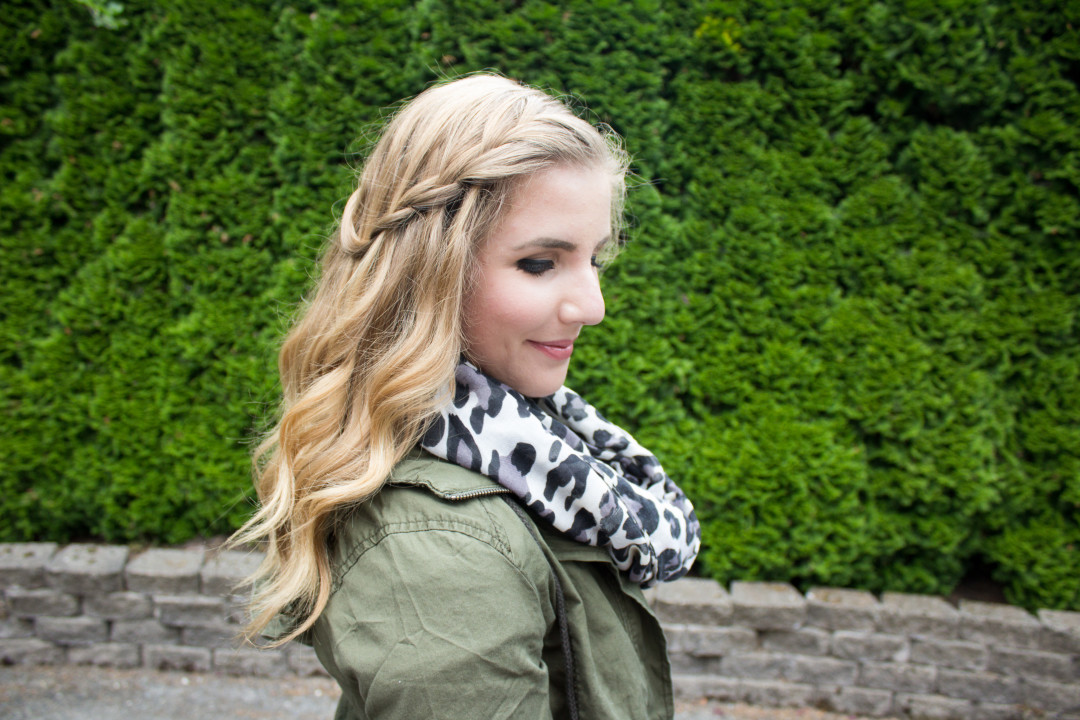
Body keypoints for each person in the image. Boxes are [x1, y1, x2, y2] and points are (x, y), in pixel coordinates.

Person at [231, 74, 701, 720]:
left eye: (596, 258)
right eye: (540, 263)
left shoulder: (527, 442)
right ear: (429, 270)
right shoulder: (444, 550)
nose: (593, 306)